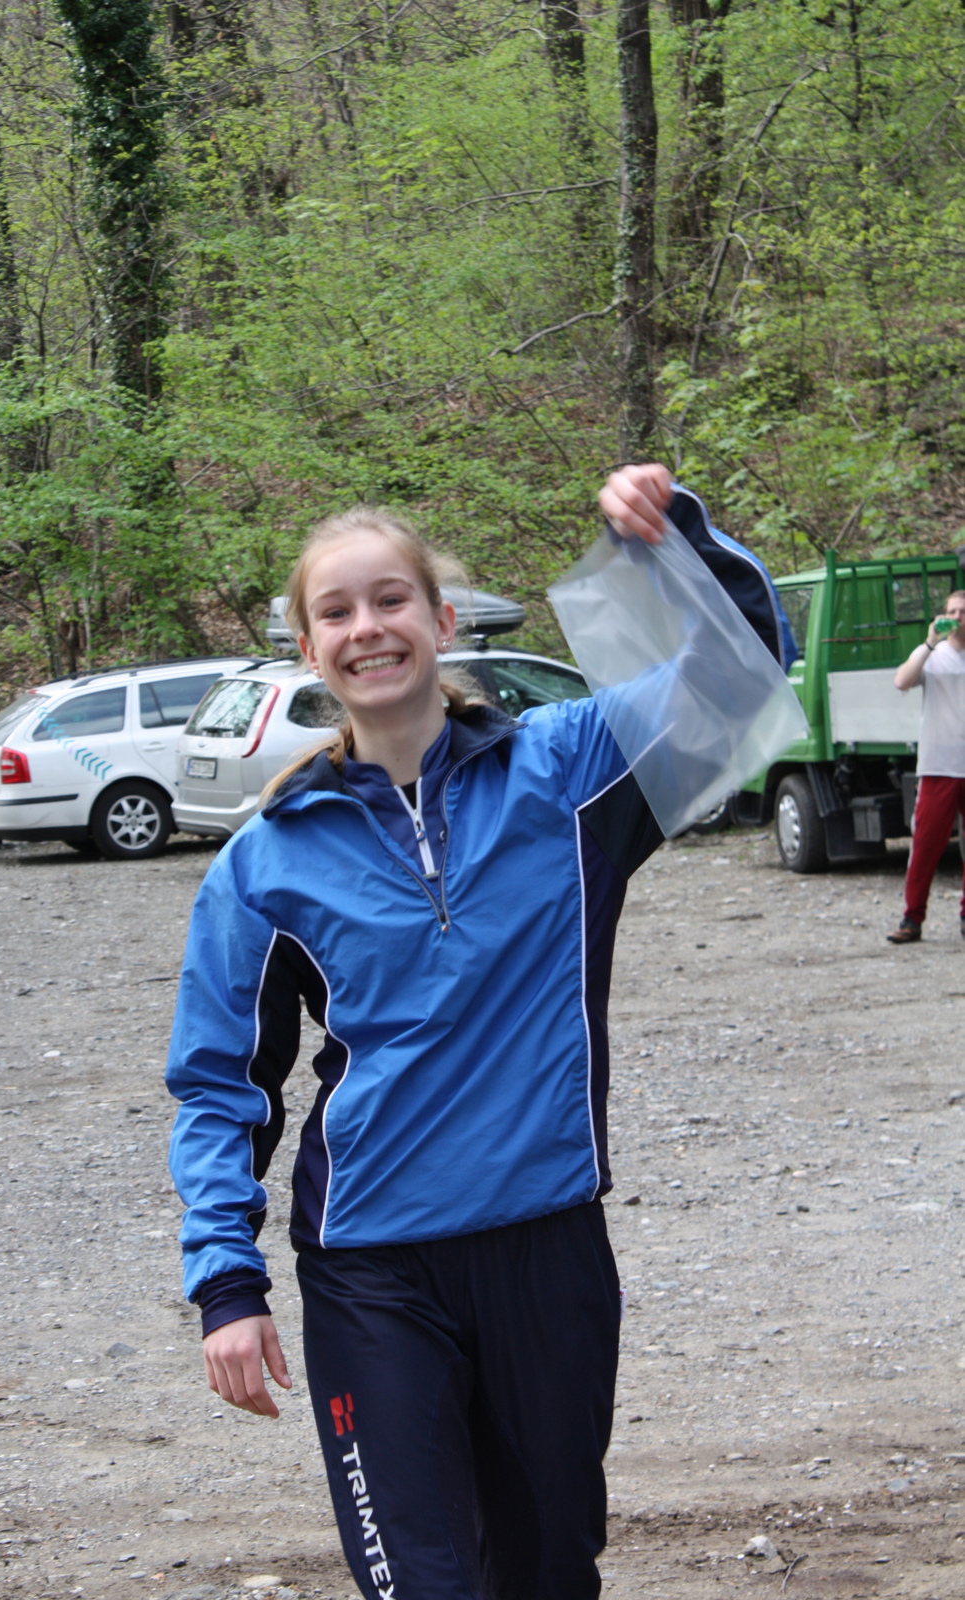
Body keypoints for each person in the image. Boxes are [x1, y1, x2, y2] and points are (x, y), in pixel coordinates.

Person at [165, 464, 791, 1600]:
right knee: (424, 1584)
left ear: (443, 621)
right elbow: (223, 1088)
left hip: (547, 1252)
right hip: (371, 1274)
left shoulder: (567, 774)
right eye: (336, 612)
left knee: (548, 1574)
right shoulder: (265, 863)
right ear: (308, 649)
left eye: (390, 599)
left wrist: (670, 531)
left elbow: (742, 675)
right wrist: (227, 1284)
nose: (367, 628)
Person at [887, 590, 965, 944]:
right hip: (939, 764)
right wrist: (930, 641)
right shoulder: (933, 656)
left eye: (964, 612)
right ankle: (912, 917)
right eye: (953, 611)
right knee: (926, 845)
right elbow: (901, 681)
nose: (958, 617)